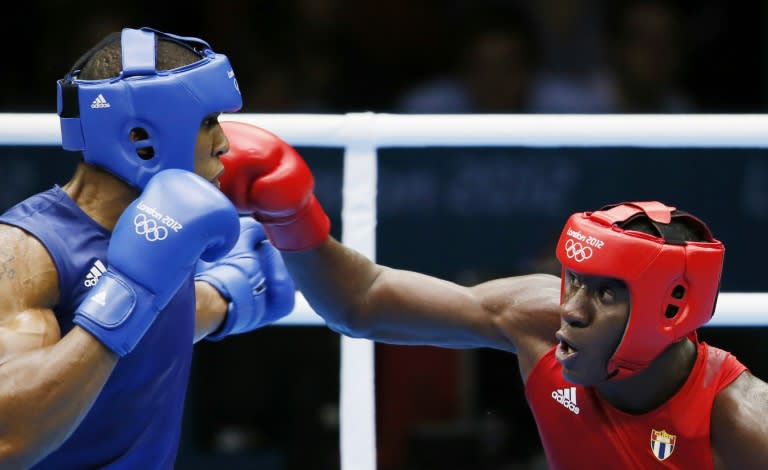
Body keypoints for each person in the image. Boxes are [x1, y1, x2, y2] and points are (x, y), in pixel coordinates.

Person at [217, 121, 768, 469]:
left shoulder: (744, 425)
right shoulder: (535, 319)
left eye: (605, 294)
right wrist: (291, 218)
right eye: (573, 279)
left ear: (669, 312)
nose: (570, 311)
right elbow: (364, 300)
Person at [0, 28, 295, 468]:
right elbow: (9, 439)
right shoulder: (28, 253)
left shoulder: (166, 233)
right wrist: (126, 292)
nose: (225, 144)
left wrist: (231, 294)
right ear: (141, 138)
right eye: (208, 122)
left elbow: (147, 330)